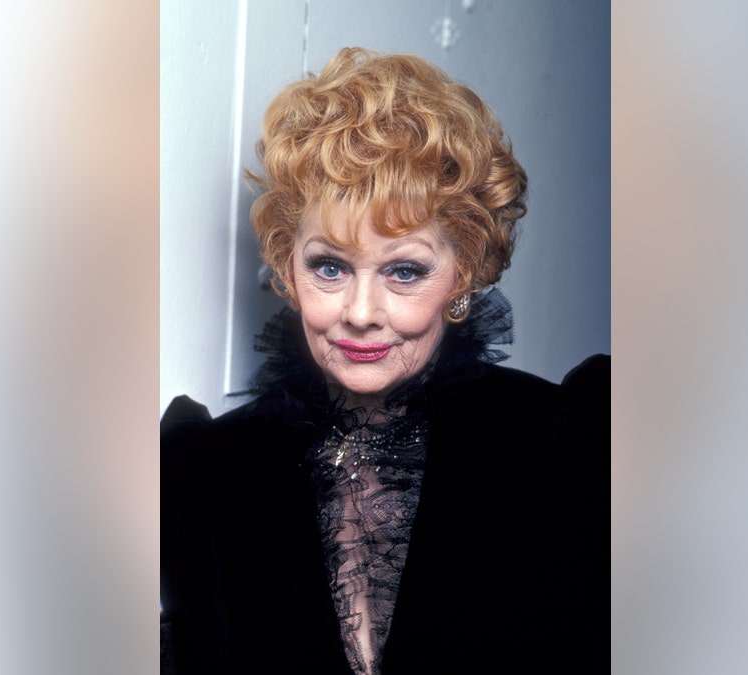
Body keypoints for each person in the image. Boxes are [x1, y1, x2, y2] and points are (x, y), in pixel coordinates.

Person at [161, 47, 608, 674]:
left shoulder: (566, 442)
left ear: (465, 274)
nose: (362, 310)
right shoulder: (210, 467)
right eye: (330, 266)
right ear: (288, 265)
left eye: (404, 271)